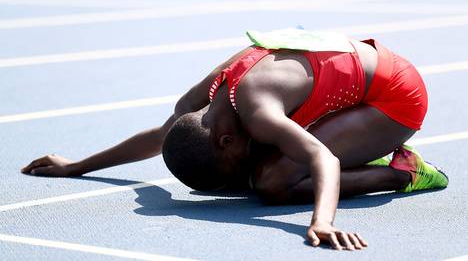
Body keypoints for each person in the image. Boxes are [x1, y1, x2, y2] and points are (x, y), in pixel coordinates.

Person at [21, 29, 448, 251]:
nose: (240, 165)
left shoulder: (258, 110)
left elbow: (323, 160)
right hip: (358, 75)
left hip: (393, 97)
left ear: (226, 140)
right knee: (261, 170)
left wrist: (322, 221)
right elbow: (160, 137)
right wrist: (78, 166)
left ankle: (403, 172)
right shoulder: (198, 103)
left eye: (233, 161)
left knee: (269, 183)